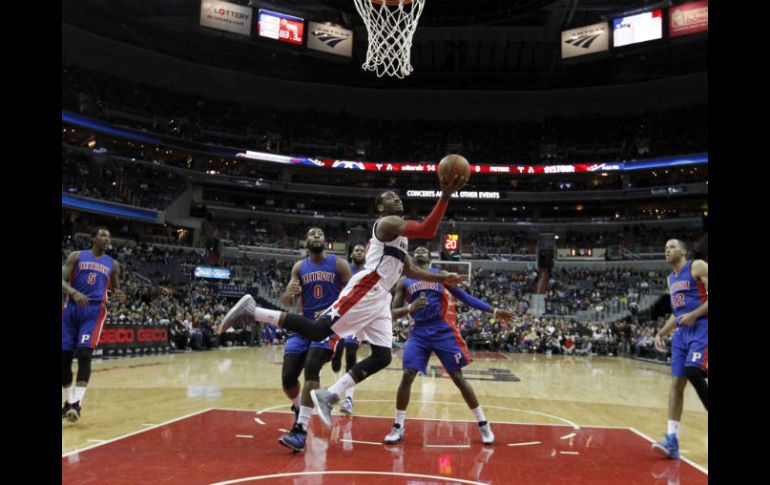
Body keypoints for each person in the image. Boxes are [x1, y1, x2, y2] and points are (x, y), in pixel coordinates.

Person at [221, 172, 466, 428]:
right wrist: (445, 196)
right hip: (368, 287)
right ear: (381, 208)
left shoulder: (399, 236)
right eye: (390, 197)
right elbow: (428, 229)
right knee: (318, 332)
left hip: (381, 296)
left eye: (397, 196)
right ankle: (254, 311)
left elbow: (410, 269)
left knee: (382, 356)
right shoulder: (387, 223)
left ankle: (331, 395)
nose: (397, 198)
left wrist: (442, 278)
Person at [384, 247, 512, 445]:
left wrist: (493, 310)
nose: (420, 251)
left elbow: (464, 297)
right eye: (416, 250)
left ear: (430, 257)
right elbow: (394, 312)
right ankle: (398, 426)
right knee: (407, 375)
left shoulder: (440, 276)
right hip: (419, 331)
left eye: (424, 250)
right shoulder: (404, 280)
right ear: (412, 257)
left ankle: (483, 424)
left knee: (457, 377)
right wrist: (410, 307)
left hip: (442, 329)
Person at [61, 227, 126, 422]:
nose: (107, 238)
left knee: (84, 353)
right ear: (93, 238)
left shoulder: (113, 264)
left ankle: (77, 404)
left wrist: (119, 296)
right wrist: (73, 292)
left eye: (109, 235)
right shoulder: (76, 256)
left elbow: (116, 290)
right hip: (71, 308)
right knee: (63, 358)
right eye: (103, 235)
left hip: (94, 310)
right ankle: (68, 403)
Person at [651, 239, 708, 459]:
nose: (667, 250)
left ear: (683, 251)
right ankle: (672, 440)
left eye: (672, 246)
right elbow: (677, 313)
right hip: (682, 333)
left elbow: (692, 310)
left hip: (702, 326)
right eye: (665, 247)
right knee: (677, 383)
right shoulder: (671, 279)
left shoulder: (697, 266)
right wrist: (661, 333)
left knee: (694, 370)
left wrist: (695, 314)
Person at [330, 244, 367, 415]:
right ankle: (337, 352)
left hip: (358, 316)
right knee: (340, 351)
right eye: (356, 250)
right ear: (351, 254)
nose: (359, 252)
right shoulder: (344, 270)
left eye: (362, 250)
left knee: (352, 352)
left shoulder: (369, 272)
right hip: (342, 314)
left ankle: (349, 399)